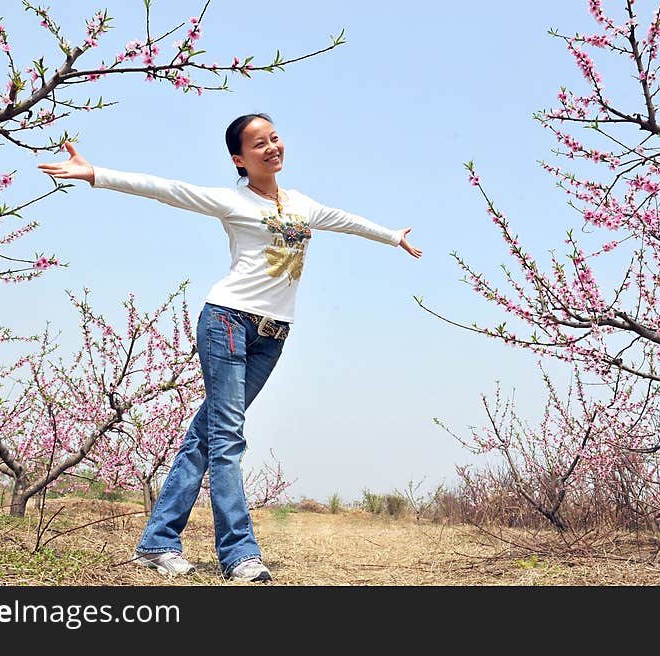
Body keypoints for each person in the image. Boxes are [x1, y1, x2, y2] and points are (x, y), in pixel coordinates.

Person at [37, 113, 422, 583]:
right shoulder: (230, 201)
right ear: (240, 158)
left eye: (275, 138)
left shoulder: (301, 203)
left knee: (207, 436)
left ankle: (157, 542)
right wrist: (96, 174)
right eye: (258, 144)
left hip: (273, 335)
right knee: (227, 439)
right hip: (227, 321)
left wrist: (392, 236)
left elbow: (346, 221)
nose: (271, 148)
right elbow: (164, 188)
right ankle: (239, 554)